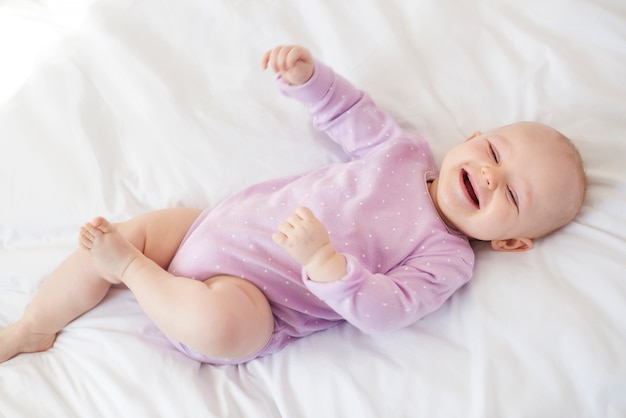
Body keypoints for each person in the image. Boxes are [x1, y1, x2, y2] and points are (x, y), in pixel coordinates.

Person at [0, 45, 586, 365]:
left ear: (511, 241)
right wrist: (310, 80)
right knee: (128, 230)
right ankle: (32, 325)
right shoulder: (404, 153)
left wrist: (327, 264)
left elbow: (388, 310)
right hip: (209, 231)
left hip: (261, 299)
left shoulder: (448, 258)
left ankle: (129, 269)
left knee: (220, 325)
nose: (488, 174)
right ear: (473, 135)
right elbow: (350, 117)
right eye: (492, 151)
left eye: (510, 192)